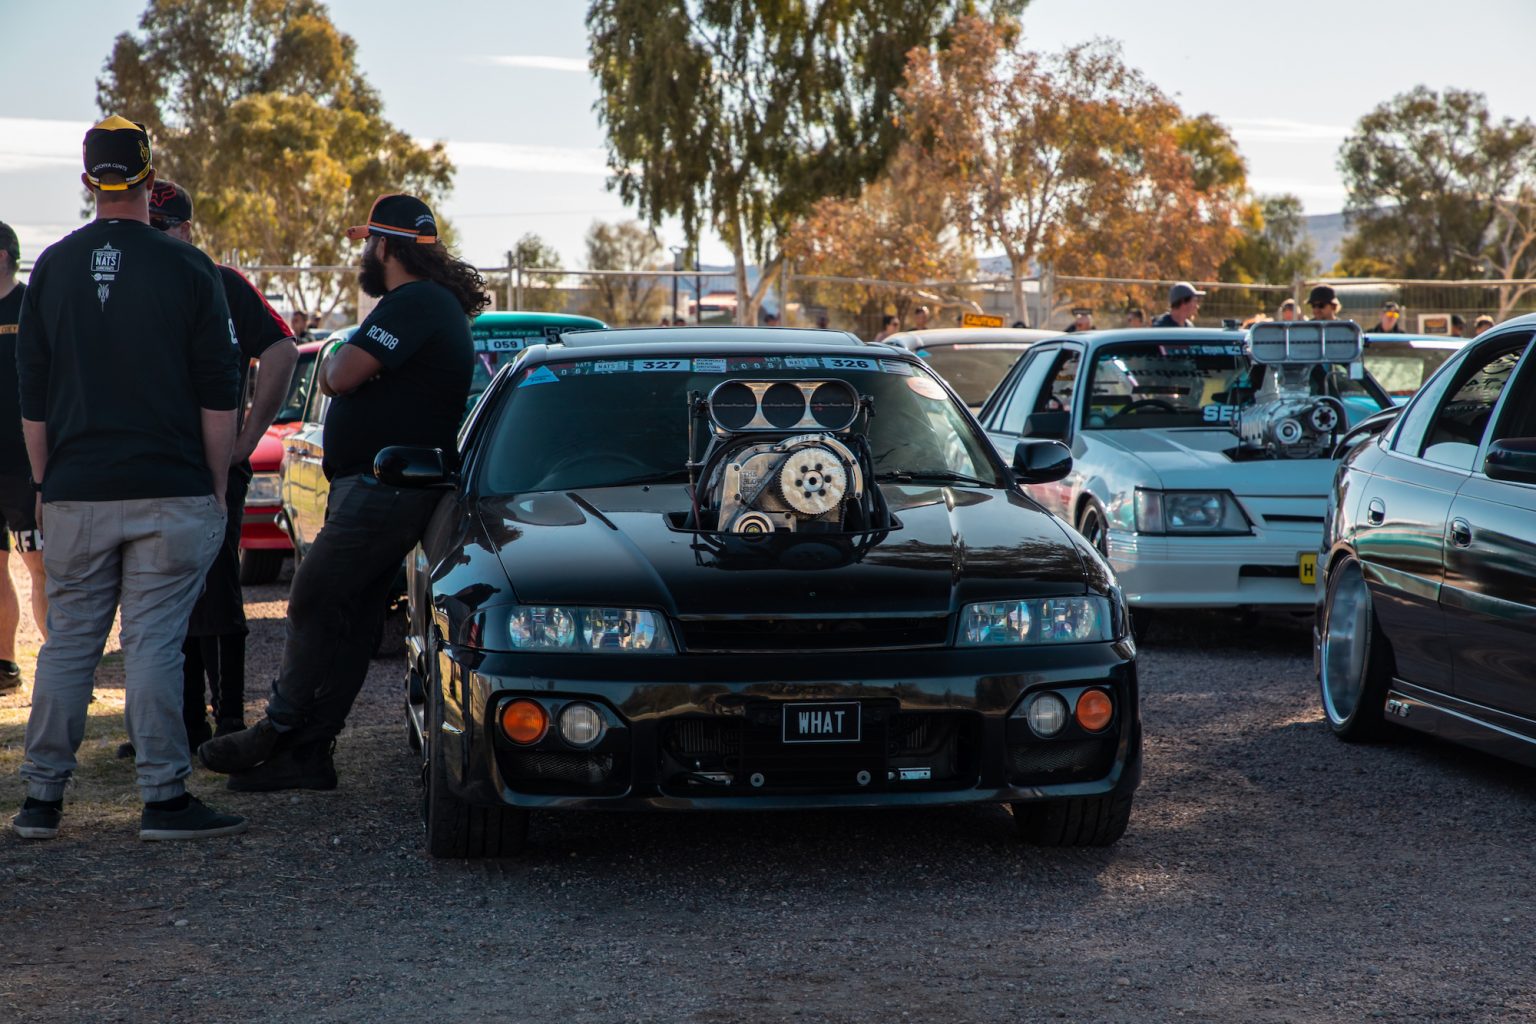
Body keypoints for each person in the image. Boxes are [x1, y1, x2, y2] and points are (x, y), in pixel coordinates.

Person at [199, 192, 485, 791]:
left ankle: (278, 730)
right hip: (384, 485)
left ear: (386, 245)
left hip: (385, 489)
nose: (362, 257)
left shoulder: (411, 303)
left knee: (311, 594)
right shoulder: (430, 304)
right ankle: (309, 753)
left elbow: (337, 373)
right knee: (351, 616)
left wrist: (343, 368)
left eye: (367, 244)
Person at [12, 116, 245, 841]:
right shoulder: (189, 267)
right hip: (169, 486)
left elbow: (33, 391)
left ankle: (41, 801)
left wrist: (48, 484)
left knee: (71, 643)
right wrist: (215, 481)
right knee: (151, 642)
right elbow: (219, 389)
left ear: (88, 181)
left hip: (78, 487)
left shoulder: (50, 266)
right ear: (150, 179)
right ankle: (163, 798)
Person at [140, 181, 297, 752]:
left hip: (214, 466)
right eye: (145, 225)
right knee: (160, 591)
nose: (154, 237)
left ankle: (228, 713)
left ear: (184, 230)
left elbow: (281, 347)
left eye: (163, 227)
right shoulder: (130, 284)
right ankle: (181, 720)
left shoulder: (223, 282)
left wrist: (247, 436)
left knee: (217, 583)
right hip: (151, 464)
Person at [0, 220, 47, 696]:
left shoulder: (31, 304)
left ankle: (61, 672)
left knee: (39, 565)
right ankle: (5, 666)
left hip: (23, 464)